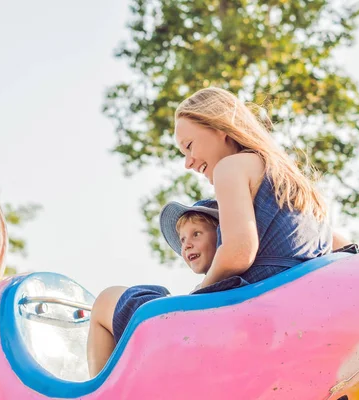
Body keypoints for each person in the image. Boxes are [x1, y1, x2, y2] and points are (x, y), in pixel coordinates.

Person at [87, 87, 333, 377]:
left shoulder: (231, 167)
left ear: (219, 126)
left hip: (242, 315)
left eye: (189, 145)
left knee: (106, 301)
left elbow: (239, 250)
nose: (188, 162)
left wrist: (196, 296)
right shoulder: (301, 189)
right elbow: (339, 250)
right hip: (289, 320)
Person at [86, 199, 219, 377]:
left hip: (187, 342)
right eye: (182, 239)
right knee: (158, 292)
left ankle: (101, 390)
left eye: (196, 234)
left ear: (221, 235)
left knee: (106, 300)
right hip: (191, 342)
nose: (186, 245)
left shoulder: (231, 273)